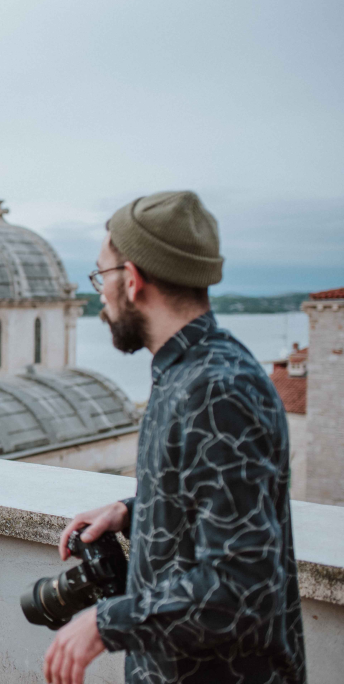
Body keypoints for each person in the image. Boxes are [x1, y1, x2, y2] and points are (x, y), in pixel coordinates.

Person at [43, 191, 305, 684]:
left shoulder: (217, 390)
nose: (98, 293)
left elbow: (240, 587)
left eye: (101, 276)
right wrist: (131, 509)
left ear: (134, 280)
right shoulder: (190, 371)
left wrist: (105, 623)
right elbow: (222, 506)